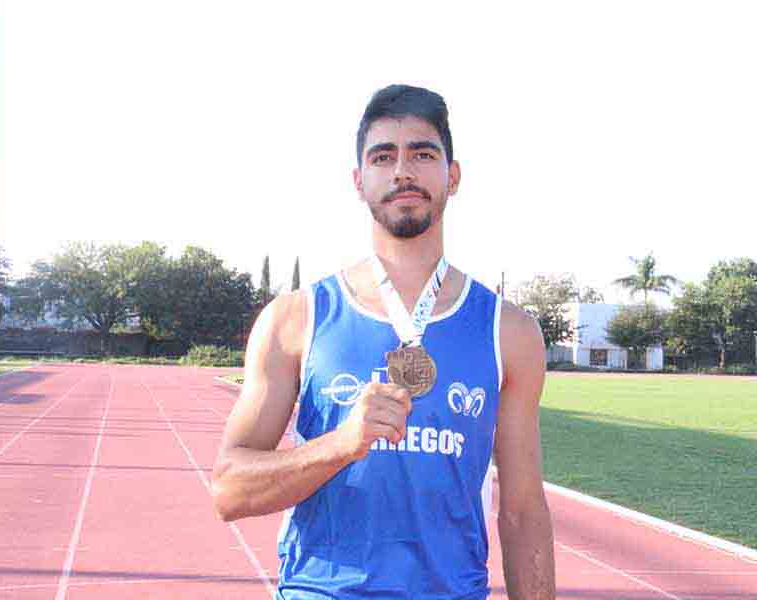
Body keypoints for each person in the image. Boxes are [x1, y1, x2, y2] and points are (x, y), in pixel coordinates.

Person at [212, 84, 555, 599]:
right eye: (383, 156)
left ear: (452, 175)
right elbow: (228, 488)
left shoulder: (509, 333)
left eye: (423, 153)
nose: (403, 171)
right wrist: (340, 445)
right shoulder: (295, 319)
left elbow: (524, 510)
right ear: (359, 180)